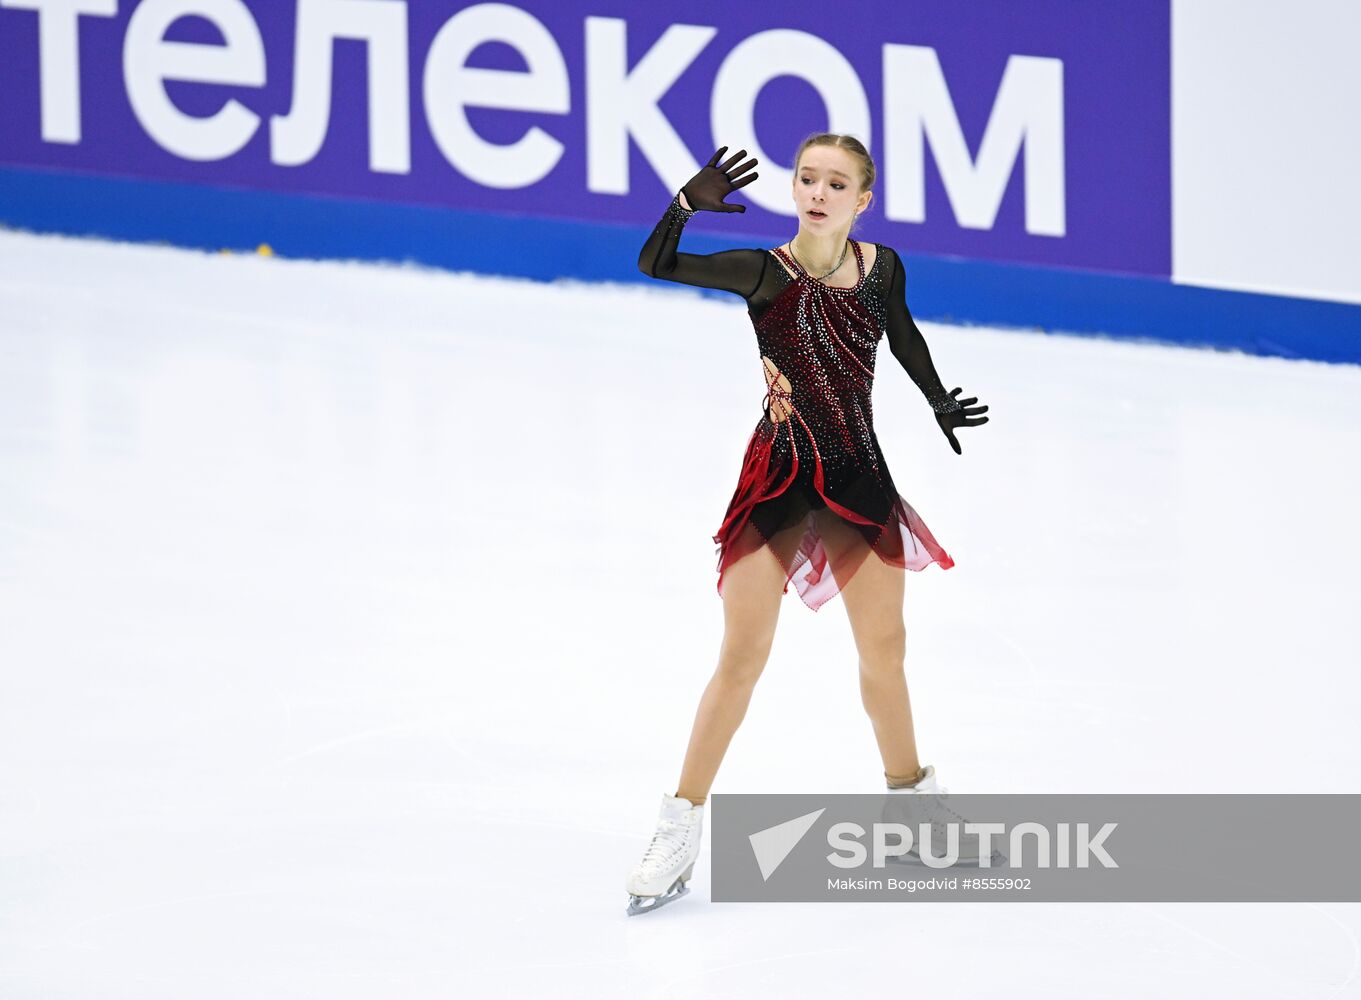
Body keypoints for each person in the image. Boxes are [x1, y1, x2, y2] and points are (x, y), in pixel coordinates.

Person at [624, 135, 991, 915]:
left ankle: (912, 809)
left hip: (857, 474)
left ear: (862, 200)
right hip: (782, 480)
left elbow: (901, 333)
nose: (816, 192)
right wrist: (684, 205)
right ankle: (679, 823)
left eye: (835, 183)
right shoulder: (763, 272)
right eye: (806, 179)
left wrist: (934, 398)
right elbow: (656, 265)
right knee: (742, 656)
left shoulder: (882, 267)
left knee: (885, 650)